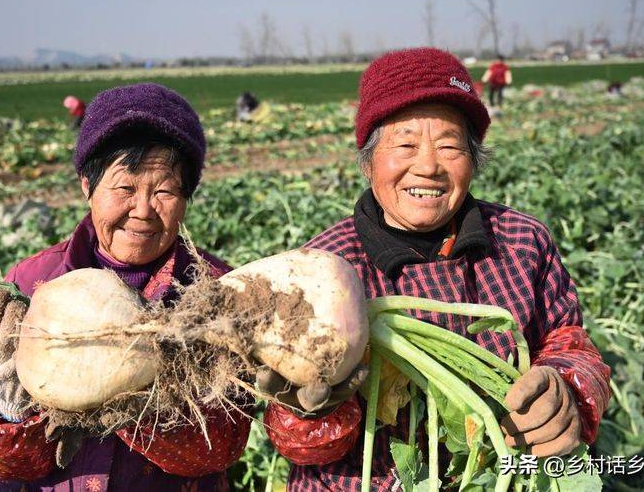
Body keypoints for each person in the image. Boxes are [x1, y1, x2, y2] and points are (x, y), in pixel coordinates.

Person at [258, 48, 611, 489]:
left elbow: (572, 343)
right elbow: (296, 447)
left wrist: (567, 389)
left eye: (448, 145)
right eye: (405, 144)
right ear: (368, 161)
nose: (427, 166)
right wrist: (306, 412)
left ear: (474, 159)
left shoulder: (523, 241)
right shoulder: (319, 272)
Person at [0, 83, 251, 491]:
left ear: (187, 197)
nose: (143, 210)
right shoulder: (31, 284)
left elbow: (222, 447)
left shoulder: (218, 291)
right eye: (125, 188)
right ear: (87, 186)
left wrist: (133, 398)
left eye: (165, 190)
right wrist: (4, 407)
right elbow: (7, 466)